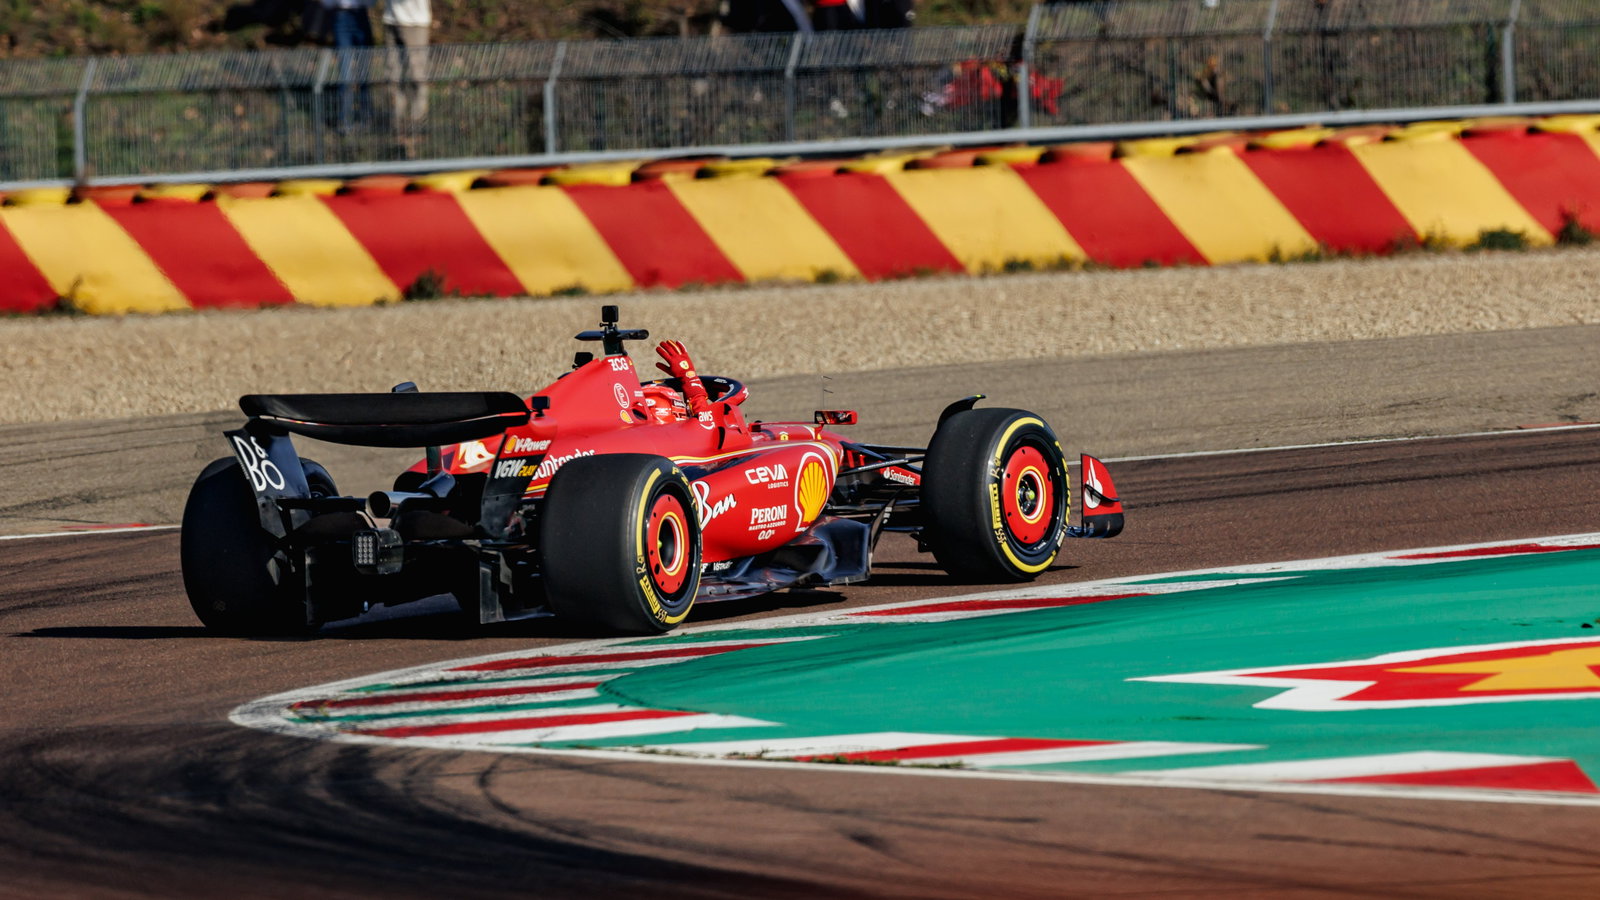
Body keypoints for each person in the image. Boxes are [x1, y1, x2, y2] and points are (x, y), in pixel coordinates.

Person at [382, 0, 431, 147]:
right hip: (391, 20)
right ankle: (397, 129)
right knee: (393, 78)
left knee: (417, 76)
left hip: (415, 22)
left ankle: (418, 127)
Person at [323, 0, 375, 131]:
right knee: (345, 74)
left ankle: (366, 119)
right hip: (340, 15)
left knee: (364, 73)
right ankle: (345, 120)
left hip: (361, 14)